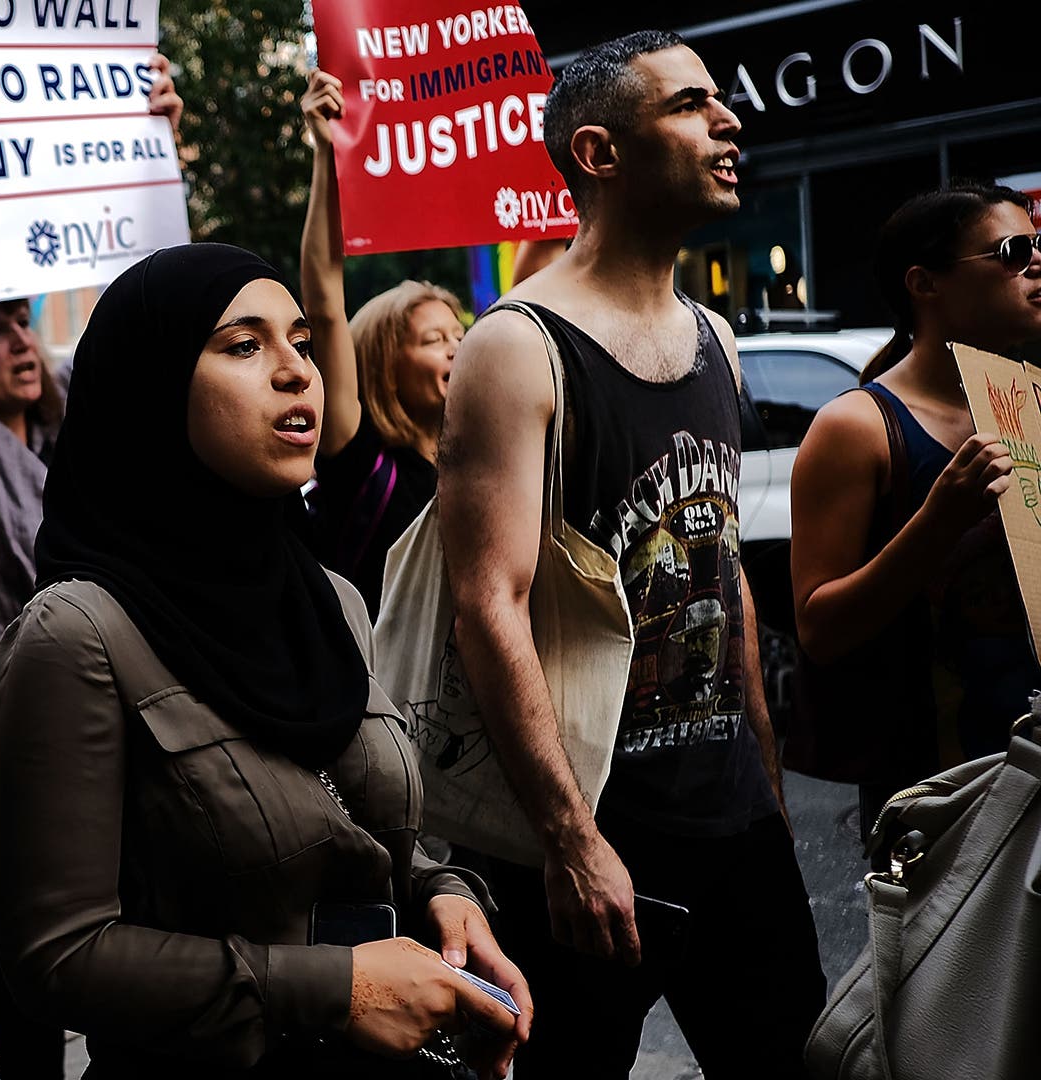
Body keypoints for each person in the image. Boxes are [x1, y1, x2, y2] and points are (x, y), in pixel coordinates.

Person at [0, 243, 530, 1078]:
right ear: (154, 385)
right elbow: (56, 957)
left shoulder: (332, 601)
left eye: (303, 345)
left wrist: (445, 895)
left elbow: (354, 816)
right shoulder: (75, 636)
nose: (295, 373)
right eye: (244, 346)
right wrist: (334, 987)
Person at [434, 31, 824, 1077]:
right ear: (600, 155)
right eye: (690, 105)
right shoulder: (517, 346)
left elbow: (723, 575)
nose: (728, 120)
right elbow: (489, 604)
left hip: (733, 822)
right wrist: (569, 840)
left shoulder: (717, 337)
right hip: (590, 838)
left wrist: (771, 796)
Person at [0, 57, 181, 1080]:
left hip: (110, 751)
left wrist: (155, 162)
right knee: (16, 1012)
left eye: (24, 319)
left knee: (121, 998)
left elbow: (157, 322)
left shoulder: (79, 439)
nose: (16, 337)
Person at [789, 184, 1038, 832]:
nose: (1035, 263)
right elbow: (819, 628)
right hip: (942, 794)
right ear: (925, 283)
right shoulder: (859, 427)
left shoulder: (1029, 403)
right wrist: (938, 521)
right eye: (1013, 251)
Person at [297, 69, 469, 612]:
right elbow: (325, 306)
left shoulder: (478, 456)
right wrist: (327, 154)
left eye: (460, 335)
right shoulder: (358, 457)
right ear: (384, 366)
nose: (457, 349)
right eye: (434, 338)